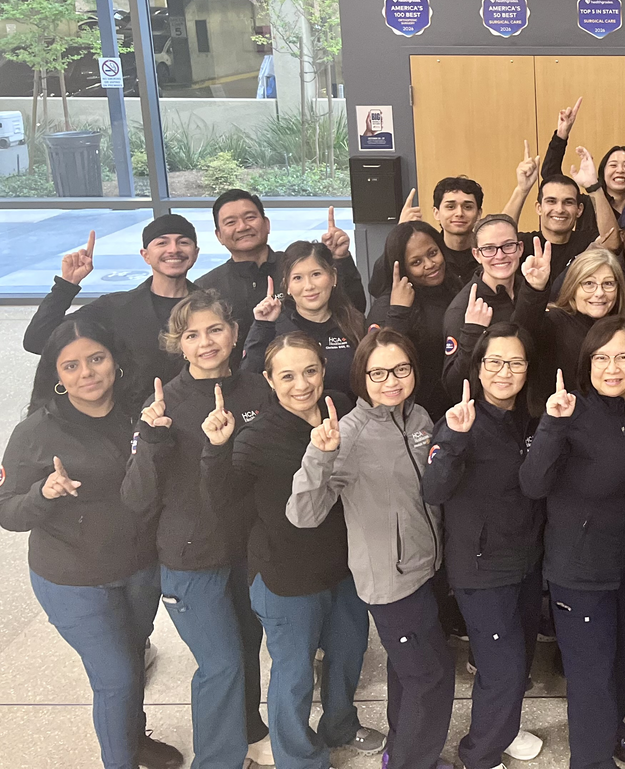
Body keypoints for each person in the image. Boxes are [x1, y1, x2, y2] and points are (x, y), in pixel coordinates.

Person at [0, 319, 183, 769]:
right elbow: (6, 510)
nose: (88, 373)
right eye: (72, 365)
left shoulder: (141, 414)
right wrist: (43, 495)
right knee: (117, 677)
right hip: (73, 579)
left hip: (139, 566)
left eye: (96, 359)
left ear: (115, 361)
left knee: (133, 660)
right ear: (56, 375)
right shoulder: (35, 432)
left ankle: (134, 739)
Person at [201, 332, 384, 766]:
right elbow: (222, 502)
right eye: (287, 376)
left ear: (323, 369)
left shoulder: (344, 408)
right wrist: (216, 448)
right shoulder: (256, 436)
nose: (301, 384)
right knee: (295, 673)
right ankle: (298, 757)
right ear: (269, 380)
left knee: (346, 654)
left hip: (344, 566)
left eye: (309, 371)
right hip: (287, 576)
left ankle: (340, 724)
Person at [287, 329, 454, 769]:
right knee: (430, 678)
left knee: (407, 674)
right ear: (361, 376)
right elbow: (303, 514)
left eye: (401, 369)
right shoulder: (348, 434)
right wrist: (319, 456)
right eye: (377, 372)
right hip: (389, 581)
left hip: (425, 568)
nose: (391, 381)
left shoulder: (418, 419)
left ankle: (400, 754)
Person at [121, 290, 274, 769]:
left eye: (214, 330)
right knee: (221, 663)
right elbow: (136, 499)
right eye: (192, 335)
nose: (206, 342)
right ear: (178, 345)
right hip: (191, 559)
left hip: (246, 549)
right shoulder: (164, 403)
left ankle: (249, 732)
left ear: (233, 334)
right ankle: (218, 761)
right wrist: (152, 439)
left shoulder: (257, 390)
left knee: (247, 649)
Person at [519, 316, 625, 769]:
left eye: (624, 356)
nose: (613, 367)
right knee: (589, 676)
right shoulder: (568, 412)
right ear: (587, 363)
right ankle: (590, 759)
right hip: (577, 571)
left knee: (620, 662)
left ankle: (612, 729)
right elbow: (532, 483)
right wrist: (552, 425)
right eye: (602, 357)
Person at [423, 323, 547, 769]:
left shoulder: (530, 417)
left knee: (520, 660)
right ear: (477, 368)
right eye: (494, 362)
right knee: (503, 667)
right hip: (481, 567)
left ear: (527, 368)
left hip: (526, 560)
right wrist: (454, 440)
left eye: (514, 362)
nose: (504, 372)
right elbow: (433, 490)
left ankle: (504, 730)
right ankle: (480, 754)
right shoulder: (460, 418)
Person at [23, 215, 200, 408]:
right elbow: (38, 339)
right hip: (132, 423)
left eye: (183, 242)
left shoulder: (211, 308)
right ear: (145, 255)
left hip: (202, 419)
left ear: (196, 253)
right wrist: (66, 286)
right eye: (162, 243)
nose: (173, 249)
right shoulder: (115, 308)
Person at [198, 191, 364, 360]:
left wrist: (340, 259)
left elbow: (353, 308)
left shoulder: (297, 267)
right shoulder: (207, 287)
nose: (242, 227)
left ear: (267, 224)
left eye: (250, 217)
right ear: (219, 235)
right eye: (231, 222)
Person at [241, 241, 368, 399]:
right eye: (298, 278)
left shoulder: (354, 322)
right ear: (287, 285)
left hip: (351, 419)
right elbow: (248, 381)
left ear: (333, 277)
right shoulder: (275, 328)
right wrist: (262, 325)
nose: (308, 286)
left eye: (316, 274)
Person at [366, 222, 461, 422]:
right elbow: (379, 363)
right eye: (416, 262)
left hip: (458, 407)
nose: (429, 264)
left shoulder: (455, 286)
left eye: (433, 253)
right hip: (415, 417)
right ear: (401, 267)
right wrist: (399, 312)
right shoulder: (388, 305)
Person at [505, 134, 622, 291]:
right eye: (551, 201)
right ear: (539, 208)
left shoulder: (587, 243)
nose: (559, 209)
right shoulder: (524, 244)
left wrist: (594, 187)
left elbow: (613, 241)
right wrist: (522, 189)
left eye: (568, 202)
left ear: (579, 210)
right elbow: (498, 239)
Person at [441, 213, 528, 400]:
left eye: (508, 246)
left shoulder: (528, 289)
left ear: (520, 248)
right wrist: (472, 333)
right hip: (486, 416)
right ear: (476, 254)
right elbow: (453, 385)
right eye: (489, 248)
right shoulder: (463, 309)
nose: (500, 255)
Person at [517, 244, 625, 391]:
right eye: (589, 283)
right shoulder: (554, 322)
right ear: (573, 287)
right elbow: (521, 333)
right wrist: (535, 288)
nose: (599, 293)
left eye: (608, 284)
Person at [376, 177, 486, 285]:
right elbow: (377, 287)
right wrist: (399, 233)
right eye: (450, 207)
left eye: (467, 207)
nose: (459, 213)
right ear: (436, 213)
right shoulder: (429, 251)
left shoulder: (489, 252)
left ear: (479, 214)